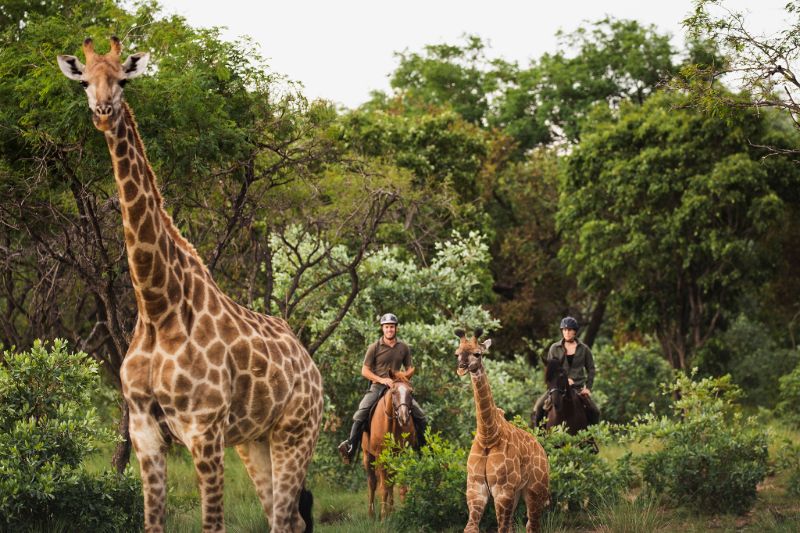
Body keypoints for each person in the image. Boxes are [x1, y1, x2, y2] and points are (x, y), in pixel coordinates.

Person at [337, 313, 427, 464]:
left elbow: (410, 368)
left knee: (420, 415)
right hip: (378, 386)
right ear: (382, 329)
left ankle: (424, 449)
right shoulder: (374, 347)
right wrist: (382, 379)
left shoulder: (403, 347)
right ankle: (351, 447)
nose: (389, 330)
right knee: (361, 412)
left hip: (397, 387)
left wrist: (402, 377)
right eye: (387, 327)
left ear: (396, 328)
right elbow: (364, 371)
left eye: (392, 327)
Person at [532, 316, 600, 427]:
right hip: (557, 388)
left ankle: (592, 435)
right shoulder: (554, 348)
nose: (567, 332)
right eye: (564, 330)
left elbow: (591, 369)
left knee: (595, 411)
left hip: (578, 388)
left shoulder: (584, 349)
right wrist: (563, 380)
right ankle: (538, 435)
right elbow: (550, 370)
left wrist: (588, 388)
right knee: (538, 407)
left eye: (569, 330)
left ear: (575, 332)